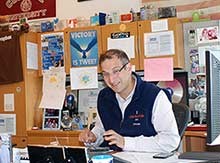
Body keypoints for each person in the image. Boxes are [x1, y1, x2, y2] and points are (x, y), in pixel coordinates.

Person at [79, 49, 180, 153]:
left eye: (116, 71)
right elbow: (101, 129)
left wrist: (126, 143)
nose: (111, 80)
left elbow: (170, 140)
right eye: (105, 74)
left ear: (128, 68)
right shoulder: (104, 97)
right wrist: (93, 137)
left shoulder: (154, 95)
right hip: (116, 158)